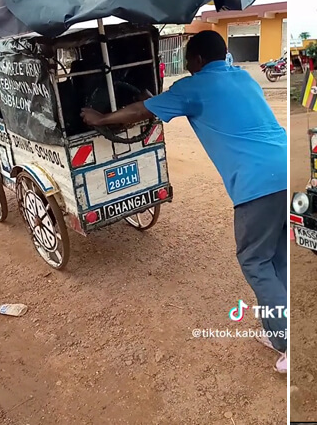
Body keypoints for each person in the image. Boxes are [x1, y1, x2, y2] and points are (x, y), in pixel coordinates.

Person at [80, 30, 288, 373]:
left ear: (198, 60)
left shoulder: (192, 88)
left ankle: (285, 343)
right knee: (274, 259)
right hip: (281, 169)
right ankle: (278, 331)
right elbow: (158, 104)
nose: (188, 66)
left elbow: (136, 112)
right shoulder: (245, 78)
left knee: (255, 262)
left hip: (256, 184)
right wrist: (157, 100)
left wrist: (100, 119)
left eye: (190, 60)